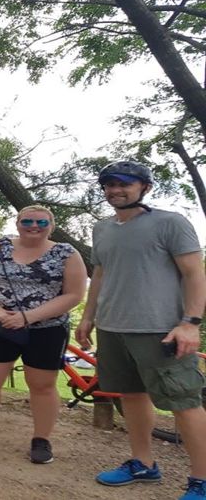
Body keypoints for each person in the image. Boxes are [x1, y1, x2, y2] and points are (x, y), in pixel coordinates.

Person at [76, 161, 206, 499]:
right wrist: (88, 316)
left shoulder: (170, 223)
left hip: (161, 329)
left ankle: (202, 479)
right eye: (108, 184)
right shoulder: (102, 229)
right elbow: (100, 274)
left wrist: (190, 324)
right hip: (112, 327)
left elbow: (194, 273)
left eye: (124, 183)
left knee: (184, 402)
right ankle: (143, 464)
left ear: (144, 187)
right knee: (132, 396)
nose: (115, 190)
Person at [0, 204, 87, 466]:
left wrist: (27, 317)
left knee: (42, 385)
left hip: (47, 329)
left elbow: (74, 294)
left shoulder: (67, 253)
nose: (34, 226)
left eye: (42, 223)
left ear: (51, 226)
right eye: (28, 221)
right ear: (17, 223)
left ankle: (41, 439)